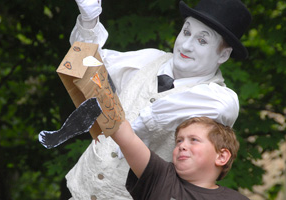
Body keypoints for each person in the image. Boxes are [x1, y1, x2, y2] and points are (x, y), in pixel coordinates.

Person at [66, 0, 252, 199]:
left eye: (202, 41)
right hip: (80, 191)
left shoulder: (218, 100)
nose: (187, 45)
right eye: (186, 32)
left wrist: (146, 121)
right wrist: (89, 22)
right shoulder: (148, 60)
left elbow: (221, 105)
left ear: (223, 55)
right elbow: (84, 65)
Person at [113, 116, 248, 199]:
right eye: (179, 141)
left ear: (221, 156)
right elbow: (126, 137)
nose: (182, 146)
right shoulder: (161, 177)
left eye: (194, 140)